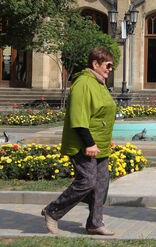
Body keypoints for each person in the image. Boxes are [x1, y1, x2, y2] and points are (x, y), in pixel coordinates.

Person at [42, 47, 117, 235]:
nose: (110, 69)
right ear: (95, 64)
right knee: (87, 181)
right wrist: (90, 143)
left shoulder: (99, 83)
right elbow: (79, 118)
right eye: (108, 65)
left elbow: (101, 114)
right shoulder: (83, 83)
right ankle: (52, 211)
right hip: (83, 143)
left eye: (111, 66)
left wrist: (107, 138)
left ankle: (95, 223)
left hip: (99, 143)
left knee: (101, 183)